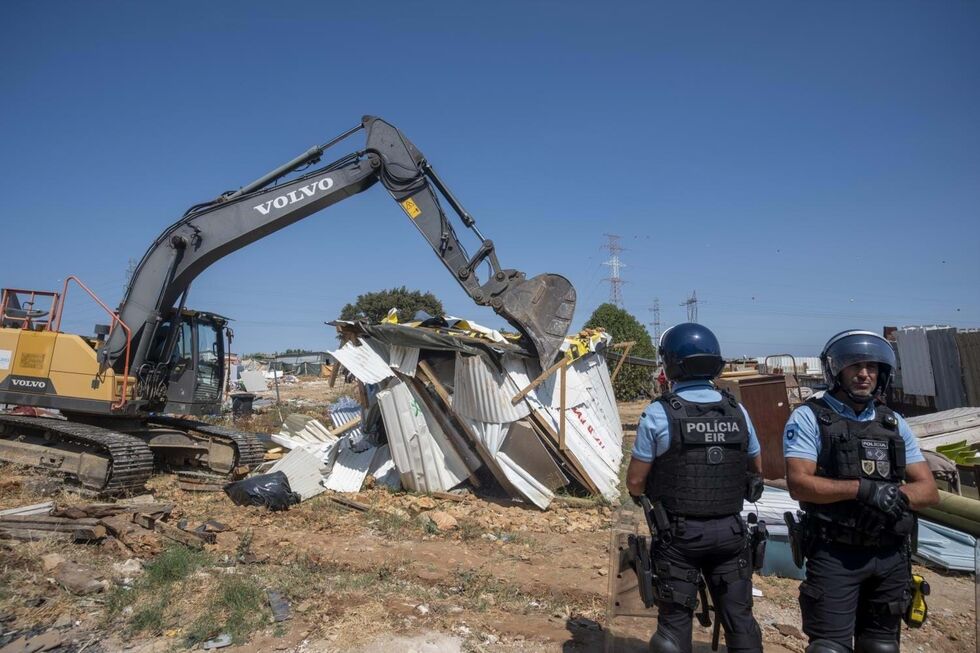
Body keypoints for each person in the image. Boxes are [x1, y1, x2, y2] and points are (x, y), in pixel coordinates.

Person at [783, 330, 939, 653]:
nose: (864, 374)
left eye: (871, 366)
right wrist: (862, 490)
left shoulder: (893, 423)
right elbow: (799, 483)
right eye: (854, 366)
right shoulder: (811, 418)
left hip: (890, 557)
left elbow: (929, 490)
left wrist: (898, 496)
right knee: (828, 649)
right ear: (836, 371)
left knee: (882, 648)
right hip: (835, 555)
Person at [626, 323, 764, 653]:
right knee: (741, 622)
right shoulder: (737, 410)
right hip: (731, 532)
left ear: (671, 364)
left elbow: (634, 481)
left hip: (679, 537)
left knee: (674, 627)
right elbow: (756, 468)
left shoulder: (659, 413)